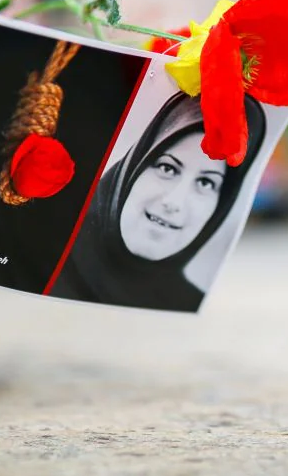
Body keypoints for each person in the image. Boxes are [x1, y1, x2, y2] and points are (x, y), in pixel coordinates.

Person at [48, 91, 267, 312]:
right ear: (136, 163)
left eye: (205, 183)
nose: (174, 203)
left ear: (223, 202)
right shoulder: (44, 257)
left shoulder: (186, 306)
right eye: (167, 168)